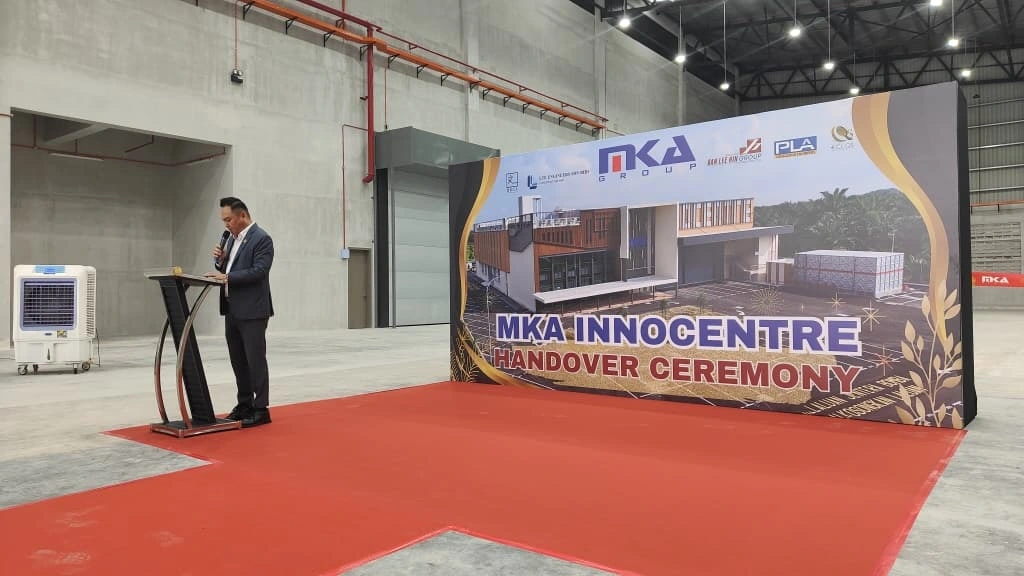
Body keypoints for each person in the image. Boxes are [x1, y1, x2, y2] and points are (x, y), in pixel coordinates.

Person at [205, 197, 274, 428]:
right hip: (232, 308)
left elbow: (259, 271)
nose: (226, 225)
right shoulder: (232, 240)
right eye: (224, 221)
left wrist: (227, 276)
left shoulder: (261, 239)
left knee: (255, 360)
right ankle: (244, 404)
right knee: (238, 360)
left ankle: (261, 408)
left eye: (229, 219)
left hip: (253, 310)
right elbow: (228, 269)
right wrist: (221, 262)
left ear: (242, 215)